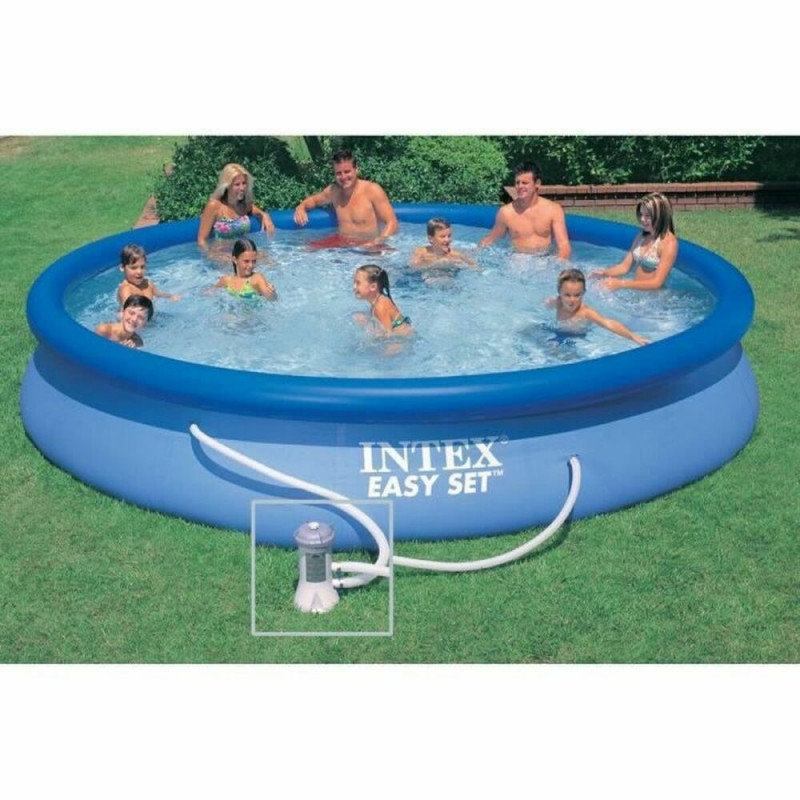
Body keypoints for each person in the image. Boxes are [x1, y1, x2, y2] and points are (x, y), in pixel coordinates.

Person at [293, 149, 398, 249]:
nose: (343, 177)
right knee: (306, 248)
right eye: (338, 173)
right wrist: (302, 207)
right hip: (343, 244)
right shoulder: (333, 191)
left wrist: (376, 242)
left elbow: (392, 223)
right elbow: (314, 201)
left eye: (347, 172)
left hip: (369, 247)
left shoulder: (372, 190)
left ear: (356, 170)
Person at [478, 161, 571, 259]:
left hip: (544, 259)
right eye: (517, 183)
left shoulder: (553, 210)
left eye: (525, 183)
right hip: (518, 259)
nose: (520, 186)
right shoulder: (506, 212)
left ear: (537, 183)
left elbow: (564, 245)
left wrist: (559, 264)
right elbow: (491, 239)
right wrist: (475, 254)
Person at [591, 192, 678, 290]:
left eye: (647, 215)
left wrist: (621, 284)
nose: (642, 219)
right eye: (641, 214)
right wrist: (604, 273)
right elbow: (624, 267)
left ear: (660, 216)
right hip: (636, 292)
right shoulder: (642, 236)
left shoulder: (669, 243)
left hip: (655, 296)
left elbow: (656, 283)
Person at [546, 268, 648, 345]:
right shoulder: (557, 302)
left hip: (576, 337)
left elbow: (607, 323)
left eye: (577, 295)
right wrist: (548, 303)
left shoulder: (586, 312)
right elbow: (546, 306)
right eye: (567, 295)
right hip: (558, 331)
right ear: (559, 293)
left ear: (583, 293)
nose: (572, 300)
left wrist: (632, 336)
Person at [197, 163, 275, 252]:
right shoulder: (214, 206)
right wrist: (212, 255)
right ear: (227, 186)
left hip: (243, 252)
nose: (242, 188)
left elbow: (253, 209)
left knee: (270, 258)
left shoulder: (243, 205)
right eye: (237, 184)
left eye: (244, 183)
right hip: (221, 254)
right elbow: (201, 240)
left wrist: (264, 215)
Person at [352, 264, 412, 335]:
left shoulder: (380, 306)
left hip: (402, 339)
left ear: (373, 287)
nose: (354, 287)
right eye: (354, 282)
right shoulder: (376, 303)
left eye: (358, 283)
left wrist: (365, 324)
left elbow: (387, 336)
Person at [212, 238, 277, 300]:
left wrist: (272, 293)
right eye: (246, 261)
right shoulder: (226, 280)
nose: (251, 265)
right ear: (235, 260)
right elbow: (210, 293)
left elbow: (270, 298)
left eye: (254, 261)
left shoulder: (256, 279)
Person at [411, 217, 480, 272]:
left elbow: (475, 266)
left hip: (447, 274)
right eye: (442, 236)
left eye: (449, 236)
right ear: (430, 238)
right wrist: (436, 263)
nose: (447, 240)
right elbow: (413, 267)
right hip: (428, 274)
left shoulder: (454, 254)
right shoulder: (421, 251)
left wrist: (461, 266)